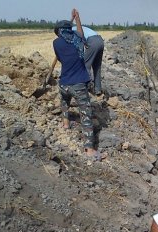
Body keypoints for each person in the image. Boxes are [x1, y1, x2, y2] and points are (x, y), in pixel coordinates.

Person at [52, 9, 100, 160]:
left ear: (58, 32)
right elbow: (78, 32)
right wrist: (77, 18)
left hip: (64, 83)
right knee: (86, 114)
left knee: (64, 101)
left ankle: (66, 123)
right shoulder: (78, 40)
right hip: (78, 84)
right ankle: (90, 149)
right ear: (70, 30)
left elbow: (60, 56)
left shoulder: (56, 43)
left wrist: (72, 21)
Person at [70, 13, 105, 96]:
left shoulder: (73, 31)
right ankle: (98, 90)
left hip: (92, 41)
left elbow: (80, 45)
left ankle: (85, 89)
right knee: (97, 67)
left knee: (85, 66)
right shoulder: (76, 28)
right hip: (100, 41)